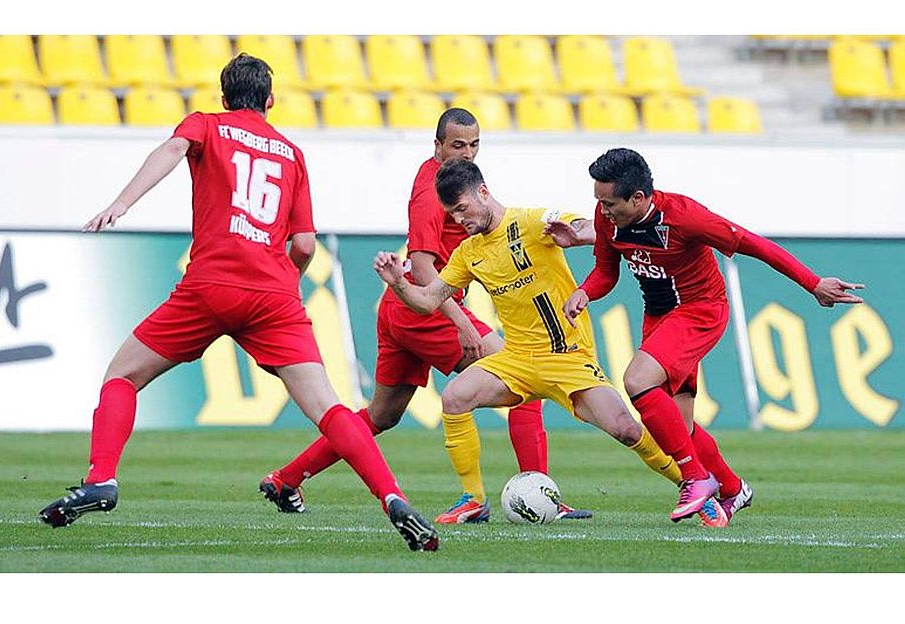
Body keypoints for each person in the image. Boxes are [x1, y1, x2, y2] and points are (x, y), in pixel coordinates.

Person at [38, 54, 439, 552]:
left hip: (210, 285)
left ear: (224, 97)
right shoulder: (292, 154)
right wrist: (283, 289)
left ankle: (102, 478)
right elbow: (306, 245)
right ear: (270, 101)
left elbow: (171, 149)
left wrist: (122, 203)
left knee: (122, 377)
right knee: (330, 409)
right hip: (273, 293)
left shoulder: (206, 125)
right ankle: (393, 498)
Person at [262, 108, 591, 525]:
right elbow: (421, 267)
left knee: (382, 415)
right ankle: (539, 496)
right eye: (457, 145)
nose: (466, 154)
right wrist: (463, 322)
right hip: (423, 311)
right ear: (437, 146)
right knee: (525, 377)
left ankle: (285, 479)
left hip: (401, 312)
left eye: (474, 145)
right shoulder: (429, 194)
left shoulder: (452, 182)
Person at [549, 147, 865, 525]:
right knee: (676, 425)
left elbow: (753, 244)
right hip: (659, 317)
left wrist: (813, 283)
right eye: (598, 201)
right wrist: (586, 291)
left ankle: (696, 478)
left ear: (638, 197)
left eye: (610, 202)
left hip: (700, 311)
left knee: (636, 379)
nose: (602, 210)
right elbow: (606, 270)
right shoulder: (608, 218)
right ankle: (733, 489)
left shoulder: (684, 217)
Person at [373, 159, 686, 517]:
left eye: (462, 209)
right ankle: (473, 499)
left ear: (484, 193)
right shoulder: (469, 253)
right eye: (452, 214)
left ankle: (689, 482)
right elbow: (428, 300)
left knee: (627, 430)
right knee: (455, 397)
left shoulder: (534, 221)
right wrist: (398, 282)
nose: (459, 220)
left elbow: (588, 226)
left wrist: (579, 234)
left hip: (568, 356)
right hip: (518, 359)